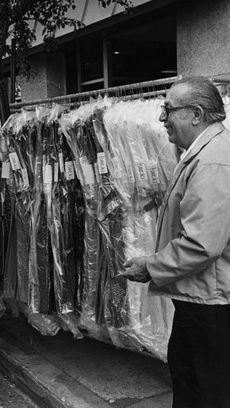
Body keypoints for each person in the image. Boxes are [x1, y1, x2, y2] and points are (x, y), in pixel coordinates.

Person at [122, 76, 230, 408]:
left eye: (169, 109)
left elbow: (201, 245)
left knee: (206, 392)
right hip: (201, 299)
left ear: (196, 114)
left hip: (209, 303)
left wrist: (149, 266)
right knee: (192, 384)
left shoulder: (211, 160)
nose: (161, 118)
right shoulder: (203, 152)